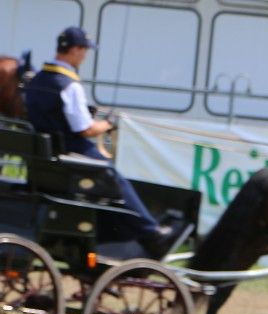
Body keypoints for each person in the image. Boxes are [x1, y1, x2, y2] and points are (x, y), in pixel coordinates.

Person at [23, 26, 171, 255]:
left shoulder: (35, 81)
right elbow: (84, 130)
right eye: (84, 50)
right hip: (71, 153)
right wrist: (106, 124)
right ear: (74, 50)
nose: (85, 56)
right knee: (115, 179)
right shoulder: (69, 85)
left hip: (44, 155)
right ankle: (150, 232)